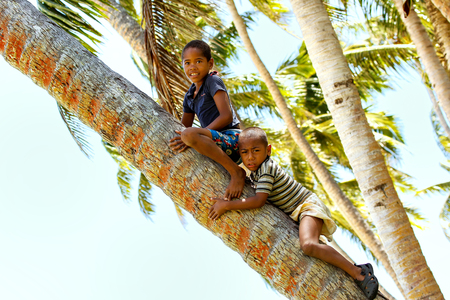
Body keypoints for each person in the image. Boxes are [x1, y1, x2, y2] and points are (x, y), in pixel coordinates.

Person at [208, 127, 379, 300]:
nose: (250, 157)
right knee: (309, 245)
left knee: (309, 245)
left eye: (256, 151)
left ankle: (359, 272)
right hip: (298, 212)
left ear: (268, 150)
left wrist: (227, 206)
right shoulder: (257, 172)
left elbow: (259, 200)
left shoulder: (267, 168)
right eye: (244, 152)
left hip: (306, 206)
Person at [169, 40, 246, 200]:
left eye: (198, 61)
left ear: (210, 63)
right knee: (187, 136)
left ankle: (236, 172)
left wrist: (200, 134)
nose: (192, 67)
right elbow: (183, 127)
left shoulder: (213, 81)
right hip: (215, 145)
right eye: (187, 63)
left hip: (234, 139)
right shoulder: (189, 96)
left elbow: (226, 116)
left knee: (189, 135)